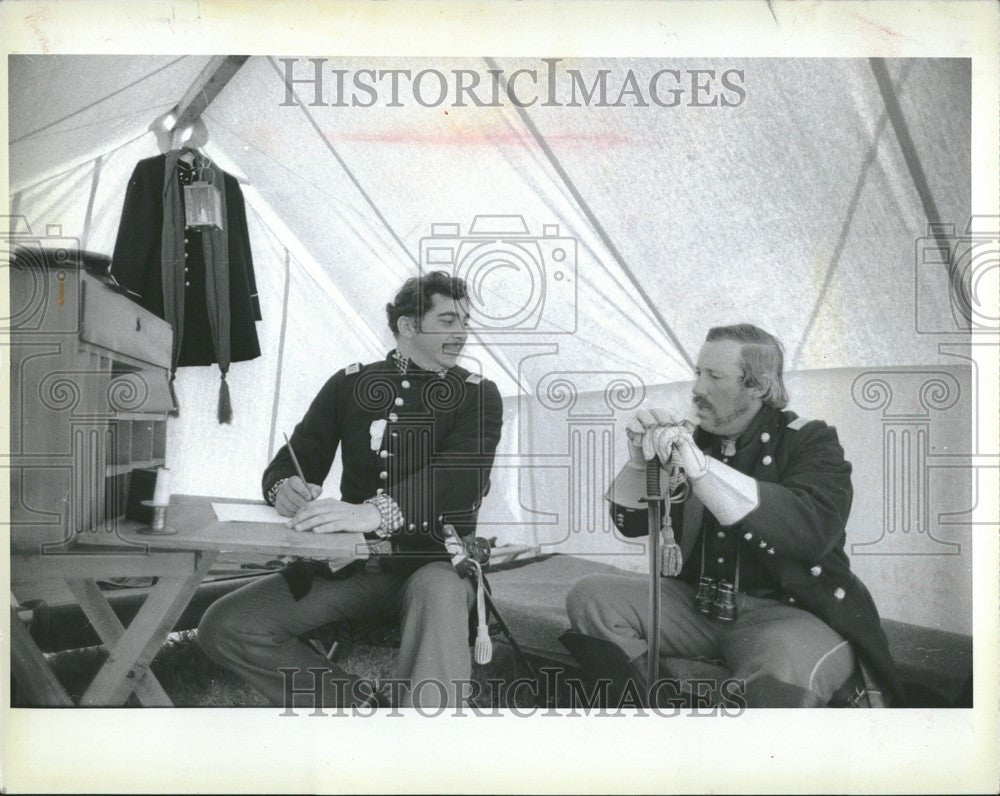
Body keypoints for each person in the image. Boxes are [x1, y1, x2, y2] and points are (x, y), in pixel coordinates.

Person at [198, 271, 503, 709]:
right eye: (448, 321)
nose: (462, 334)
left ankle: (428, 747)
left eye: (465, 323)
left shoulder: (478, 395)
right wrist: (285, 486)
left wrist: (377, 512)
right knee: (225, 626)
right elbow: (291, 459)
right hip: (352, 566)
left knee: (439, 592)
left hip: (431, 564)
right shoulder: (349, 383)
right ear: (408, 326)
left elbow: (461, 475)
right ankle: (358, 710)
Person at [565, 324, 903, 707]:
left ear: (758, 386)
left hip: (787, 614)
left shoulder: (810, 440)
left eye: (714, 376)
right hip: (695, 605)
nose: (697, 389)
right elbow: (631, 524)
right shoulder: (692, 439)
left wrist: (705, 472)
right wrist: (639, 463)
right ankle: (655, 712)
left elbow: (811, 530)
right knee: (590, 597)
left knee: (784, 667)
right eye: (697, 373)